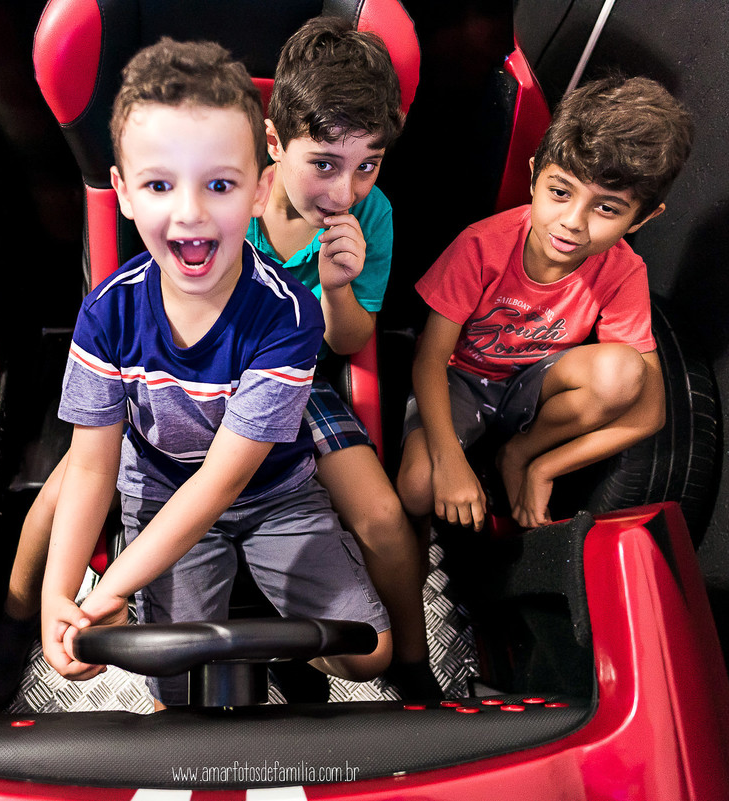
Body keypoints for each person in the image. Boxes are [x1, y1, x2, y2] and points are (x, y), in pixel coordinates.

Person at [0, 37, 391, 709]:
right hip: (159, 485)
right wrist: (61, 599)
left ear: (257, 190)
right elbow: (92, 469)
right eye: (160, 185)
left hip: (271, 493)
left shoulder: (288, 316)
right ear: (123, 193)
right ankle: (15, 618)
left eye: (219, 185)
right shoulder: (107, 314)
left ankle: (283, 648)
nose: (191, 212)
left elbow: (223, 480)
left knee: (369, 653)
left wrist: (110, 588)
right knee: (172, 684)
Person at [396, 76, 694, 532]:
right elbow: (430, 360)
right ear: (535, 175)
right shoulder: (481, 246)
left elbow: (649, 412)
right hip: (460, 381)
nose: (573, 222)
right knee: (418, 488)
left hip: (534, 391)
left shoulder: (623, 271)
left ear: (643, 218)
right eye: (560, 192)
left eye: (606, 208)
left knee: (623, 372)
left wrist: (541, 464)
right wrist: (450, 462)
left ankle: (512, 454)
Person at [249, 16, 439, 700]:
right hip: (206, 384)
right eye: (324, 164)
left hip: (301, 384)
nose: (346, 191)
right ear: (275, 143)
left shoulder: (373, 216)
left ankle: (413, 663)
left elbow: (350, 341)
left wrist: (335, 288)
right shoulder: (228, 194)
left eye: (367, 165)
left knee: (385, 520)